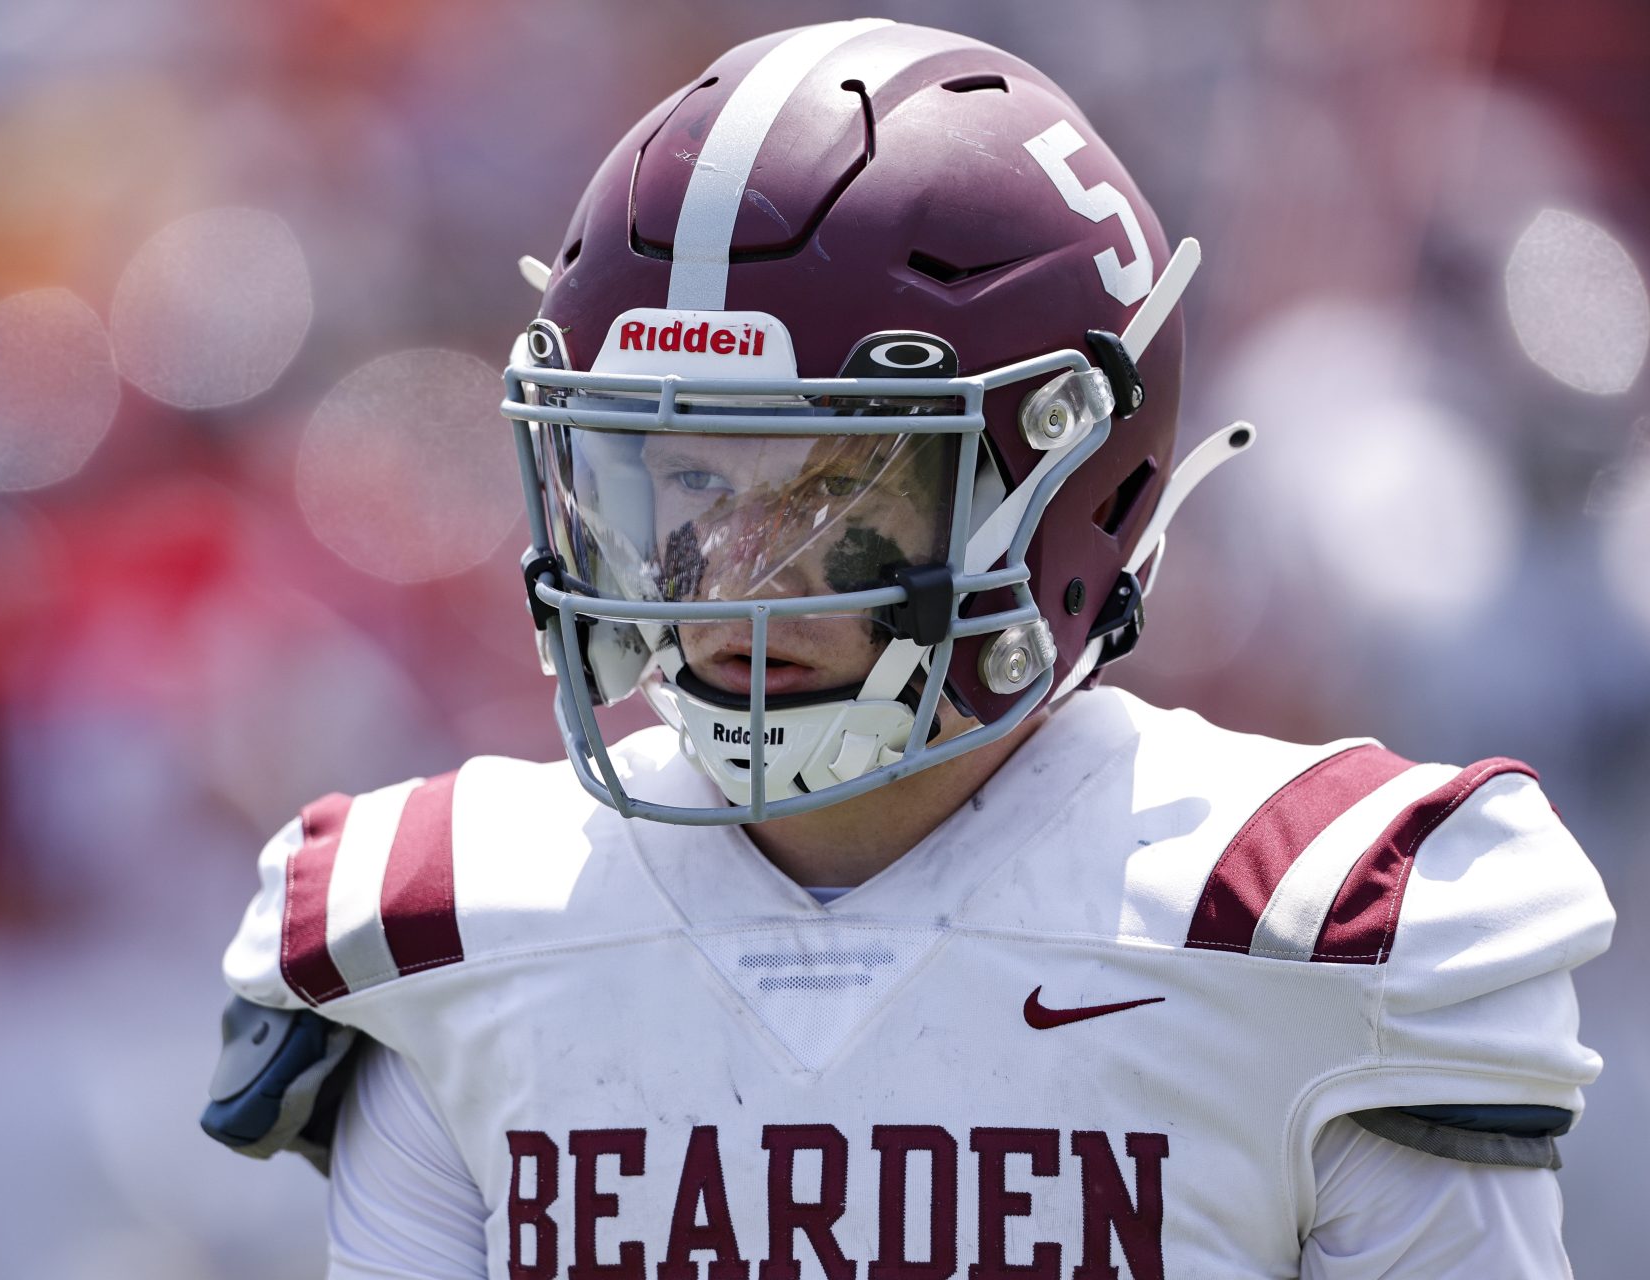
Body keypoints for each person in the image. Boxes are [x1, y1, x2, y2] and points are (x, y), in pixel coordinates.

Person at [205, 20, 1614, 1278]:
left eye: (829, 492)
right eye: (684, 484)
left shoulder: (1309, 927)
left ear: (1067, 478)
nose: (729, 581)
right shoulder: (447, 937)